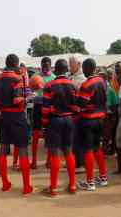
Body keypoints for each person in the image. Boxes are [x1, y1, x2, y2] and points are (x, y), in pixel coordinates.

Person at [0, 54, 33, 195]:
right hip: (17, 116)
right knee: (23, 149)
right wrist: (28, 98)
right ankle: (26, 187)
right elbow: (17, 100)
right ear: (16, 64)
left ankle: (5, 184)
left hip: (4, 117)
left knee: (3, 150)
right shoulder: (17, 79)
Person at [41, 59, 77, 197]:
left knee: (55, 154)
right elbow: (75, 107)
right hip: (68, 120)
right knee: (68, 152)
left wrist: (45, 125)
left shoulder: (49, 86)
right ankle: (72, 185)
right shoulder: (72, 86)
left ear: (55, 69)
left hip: (54, 121)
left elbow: (44, 110)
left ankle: (54, 188)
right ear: (66, 69)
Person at [76, 58, 108, 191]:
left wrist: (76, 97)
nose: (82, 70)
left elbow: (81, 103)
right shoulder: (102, 81)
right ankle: (103, 177)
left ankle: (90, 182)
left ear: (88, 68)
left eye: (83, 68)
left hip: (88, 120)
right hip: (100, 119)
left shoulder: (86, 84)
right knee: (97, 148)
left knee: (88, 150)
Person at [30, 57, 56, 169]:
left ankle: (49, 161)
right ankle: (34, 161)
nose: (45, 65)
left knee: (50, 134)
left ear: (50, 65)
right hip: (37, 107)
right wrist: (33, 92)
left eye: (47, 64)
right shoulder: (35, 77)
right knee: (35, 134)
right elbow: (29, 90)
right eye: (43, 63)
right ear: (41, 65)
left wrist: (44, 89)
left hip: (49, 107)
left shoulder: (54, 78)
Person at [68, 55, 87, 168]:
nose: (70, 66)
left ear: (79, 65)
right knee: (73, 139)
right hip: (73, 113)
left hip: (80, 113)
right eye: (69, 64)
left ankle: (80, 162)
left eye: (71, 64)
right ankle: (76, 160)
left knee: (78, 139)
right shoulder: (71, 77)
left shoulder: (82, 79)